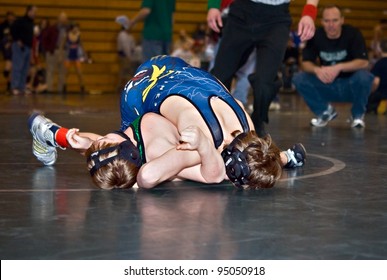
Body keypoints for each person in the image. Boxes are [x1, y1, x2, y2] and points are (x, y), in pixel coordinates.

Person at [30, 56, 306, 190]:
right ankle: (63, 137)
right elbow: (213, 174)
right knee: (126, 154)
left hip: (168, 66)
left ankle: (63, 136)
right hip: (138, 96)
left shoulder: (245, 124)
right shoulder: (208, 148)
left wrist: (282, 157)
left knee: (134, 147)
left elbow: (256, 154)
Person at [207, 0, 319, 136]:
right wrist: (213, 5)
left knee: (265, 82)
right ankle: (214, 121)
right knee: (220, 75)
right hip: (241, 14)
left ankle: (257, 123)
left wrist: (309, 11)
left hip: (277, 20)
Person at [29, 112, 226, 190]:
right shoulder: (162, 155)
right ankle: (56, 137)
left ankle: (55, 136)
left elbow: (106, 146)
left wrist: (84, 143)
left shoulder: (127, 148)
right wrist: (204, 146)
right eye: (103, 140)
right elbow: (212, 174)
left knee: (90, 145)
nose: (103, 136)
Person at [292, 5, 374, 128]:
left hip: (349, 85)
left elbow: (363, 62)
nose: (331, 25)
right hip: (327, 84)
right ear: (322, 22)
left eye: (335, 20)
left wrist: (338, 67)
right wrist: (317, 70)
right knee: (299, 78)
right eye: (327, 21)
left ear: (342, 20)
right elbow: (305, 63)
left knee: (366, 77)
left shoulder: (353, 34)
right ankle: (324, 111)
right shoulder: (316, 35)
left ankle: (357, 115)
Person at [10, 5, 37, 95]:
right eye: (33, 11)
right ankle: (15, 87)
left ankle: (21, 87)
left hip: (28, 48)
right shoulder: (20, 21)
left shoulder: (31, 23)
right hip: (19, 47)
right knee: (17, 67)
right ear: (28, 11)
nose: (35, 14)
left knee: (25, 68)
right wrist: (17, 39)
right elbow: (12, 29)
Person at [40, 12, 68, 93]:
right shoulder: (52, 28)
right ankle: (49, 90)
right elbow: (44, 40)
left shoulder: (67, 29)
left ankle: (60, 90)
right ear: (58, 18)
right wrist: (48, 50)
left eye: (65, 18)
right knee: (50, 71)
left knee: (62, 72)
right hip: (53, 51)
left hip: (63, 51)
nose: (64, 19)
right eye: (63, 17)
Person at [115, 15, 137, 92]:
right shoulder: (122, 35)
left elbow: (132, 46)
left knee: (126, 72)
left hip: (129, 55)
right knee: (125, 72)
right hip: (124, 56)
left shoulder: (130, 36)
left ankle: (122, 87)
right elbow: (125, 48)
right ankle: (122, 88)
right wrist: (129, 57)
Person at [367, 39, 387, 115]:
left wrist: (370, 91)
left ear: (380, 49)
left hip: (382, 94)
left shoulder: (379, 64)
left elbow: (376, 82)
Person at [63, 22, 85, 93]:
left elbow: (82, 45)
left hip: (76, 57)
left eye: (77, 28)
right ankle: (64, 86)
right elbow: (63, 45)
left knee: (79, 72)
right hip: (69, 56)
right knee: (66, 72)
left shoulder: (79, 35)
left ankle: (82, 87)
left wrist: (84, 54)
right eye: (75, 28)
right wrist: (62, 53)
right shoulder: (67, 35)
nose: (76, 29)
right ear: (72, 28)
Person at [0, 11, 15, 93]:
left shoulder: (15, 25)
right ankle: (9, 84)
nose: (10, 18)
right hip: (6, 48)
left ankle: (10, 84)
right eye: (9, 16)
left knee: (11, 67)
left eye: (11, 16)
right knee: (8, 66)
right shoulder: (3, 26)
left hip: (14, 48)